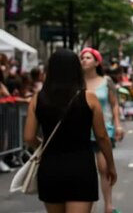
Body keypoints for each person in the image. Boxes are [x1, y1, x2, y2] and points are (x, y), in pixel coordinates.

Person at [23, 49, 116, 213]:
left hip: (50, 168)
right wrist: (110, 165)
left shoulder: (38, 98)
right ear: (76, 69)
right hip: (81, 167)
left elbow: (29, 137)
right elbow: (102, 137)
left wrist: (44, 146)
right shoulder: (89, 97)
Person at [80, 47, 123, 213]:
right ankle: (87, 205)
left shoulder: (107, 81)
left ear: (97, 62)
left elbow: (114, 104)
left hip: (105, 130)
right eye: (82, 58)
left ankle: (108, 205)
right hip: (82, 130)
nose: (84, 60)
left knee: (104, 167)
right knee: (85, 170)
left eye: (88, 58)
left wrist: (118, 124)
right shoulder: (77, 82)